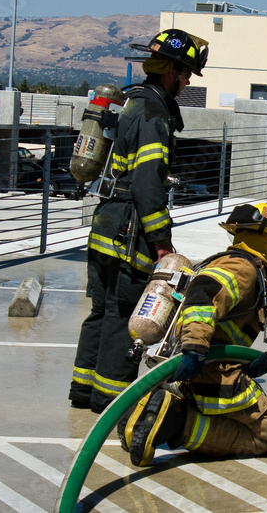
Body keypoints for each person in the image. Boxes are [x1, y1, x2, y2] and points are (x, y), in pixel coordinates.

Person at [69, 29, 208, 413]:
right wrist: (162, 240)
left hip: (107, 223)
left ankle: (84, 391)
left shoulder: (134, 102)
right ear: (173, 72)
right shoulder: (153, 114)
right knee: (121, 313)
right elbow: (148, 183)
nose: (188, 82)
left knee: (100, 310)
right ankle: (110, 400)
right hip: (130, 231)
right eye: (187, 74)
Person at [121, 203, 267, 467]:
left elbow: (224, 328)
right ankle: (173, 423)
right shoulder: (243, 268)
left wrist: (248, 362)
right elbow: (203, 293)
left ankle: (149, 412)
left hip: (208, 365)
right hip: (211, 369)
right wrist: (195, 347)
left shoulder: (234, 263)